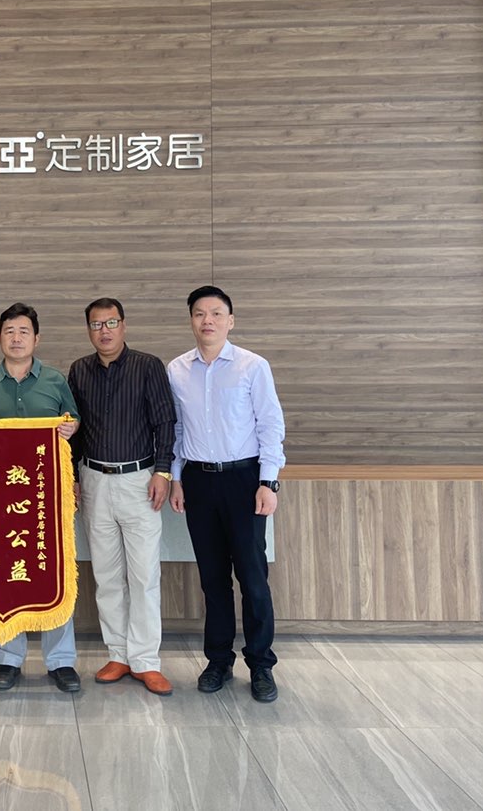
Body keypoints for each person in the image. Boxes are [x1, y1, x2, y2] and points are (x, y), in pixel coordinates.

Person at [167, 285, 286, 703]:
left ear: (230, 321)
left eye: (216, 313)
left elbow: (270, 424)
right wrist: (177, 478)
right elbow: (176, 428)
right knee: (213, 579)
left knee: (253, 578)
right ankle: (218, 661)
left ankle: (261, 664)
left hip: (244, 480)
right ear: (191, 320)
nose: (208, 320)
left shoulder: (253, 366)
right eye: (200, 313)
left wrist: (268, 481)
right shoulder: (176, 369)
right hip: (198, 481)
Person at [0, 302, 82, 693]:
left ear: (37, 338)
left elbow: (75, 420)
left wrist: (70, 427)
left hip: (47, 496)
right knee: (4, 573)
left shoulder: (55, 380)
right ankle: (8, 659)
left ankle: (61, 661)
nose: (16, 338)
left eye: (24, 331)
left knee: (53, 573)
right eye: (9, 331)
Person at [68, 297, 177, 696]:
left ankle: (146, 660)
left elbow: (166, 422)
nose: (105, 331)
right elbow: (73, 429)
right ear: (89, 330)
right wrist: (72, 477)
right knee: (108, 575)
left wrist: (163, 471)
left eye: (111, 323)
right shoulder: (79, 370)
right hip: (93, 480)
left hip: (139, 480)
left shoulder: (148, 367)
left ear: (124, 325)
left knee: (144, 575)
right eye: (97, 324)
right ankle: (118, 654)